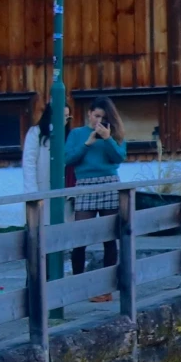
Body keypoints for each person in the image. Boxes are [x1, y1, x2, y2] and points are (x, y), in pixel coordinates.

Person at [64, 97, 127, 282]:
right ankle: (78, 282)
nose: (98, 121)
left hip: (109, 183)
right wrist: (87, 144)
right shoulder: (77, 133)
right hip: (84, 184)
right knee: (80, 238)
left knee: (109, 237)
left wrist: (107, 139)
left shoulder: (115, 133)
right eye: (96, 116)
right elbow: (68, 159)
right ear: (89, 114)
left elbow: (118, 158)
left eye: (103, 117)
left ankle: (108, 284)